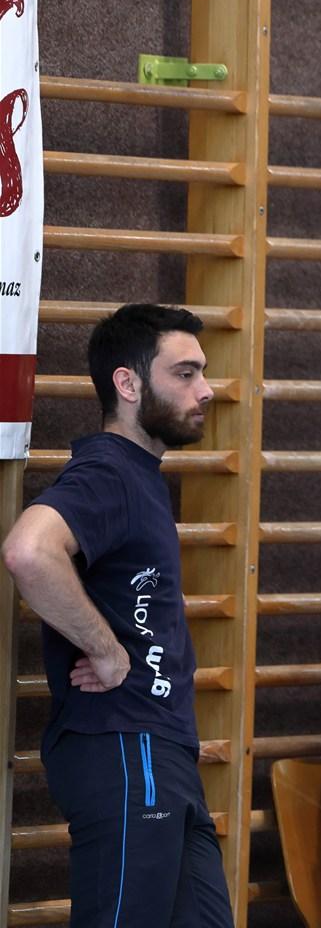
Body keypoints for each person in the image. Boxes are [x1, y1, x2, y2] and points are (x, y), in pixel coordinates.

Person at [1, 303, 230, 927]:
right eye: (185, 373)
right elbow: (29, 550)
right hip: (127, 748)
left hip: (162, 751)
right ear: (127, 384)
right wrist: (105, 651)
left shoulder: (141, 476)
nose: (206, 390)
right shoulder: (110, 471)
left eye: (202, 372)